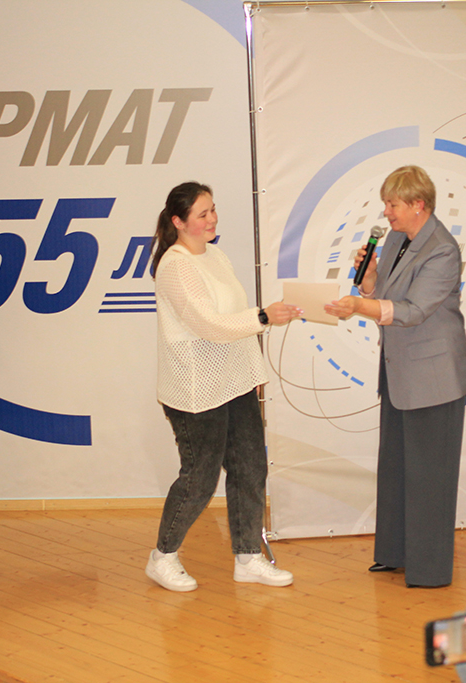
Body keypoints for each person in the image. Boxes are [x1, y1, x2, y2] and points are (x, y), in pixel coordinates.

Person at [146, 181, 302, 592]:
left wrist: (255, 354)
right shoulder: (175, 266)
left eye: (213, 209)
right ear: (179, 222)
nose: (212, 219)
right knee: (199, 478)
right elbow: (209, 325)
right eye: (202, 214)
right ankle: (162, 557)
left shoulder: (215, 255)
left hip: (236, 382)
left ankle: (248, 557)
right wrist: (263, 317)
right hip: (196, 390)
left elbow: (232, 318)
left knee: (251, 467)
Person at [325, 165, 466, 587]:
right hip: (398, 370)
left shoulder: (442, 250)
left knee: (431, 476)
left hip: (434, 377)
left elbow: (413, 311)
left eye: (392, 204)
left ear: (417, 205)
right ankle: (394, 553)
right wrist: (369, 282)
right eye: (386, 204)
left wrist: (359, 306)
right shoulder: (394, 240)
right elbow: (385, 297)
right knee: (396, 467)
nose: (386, 212)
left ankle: (429, 569)